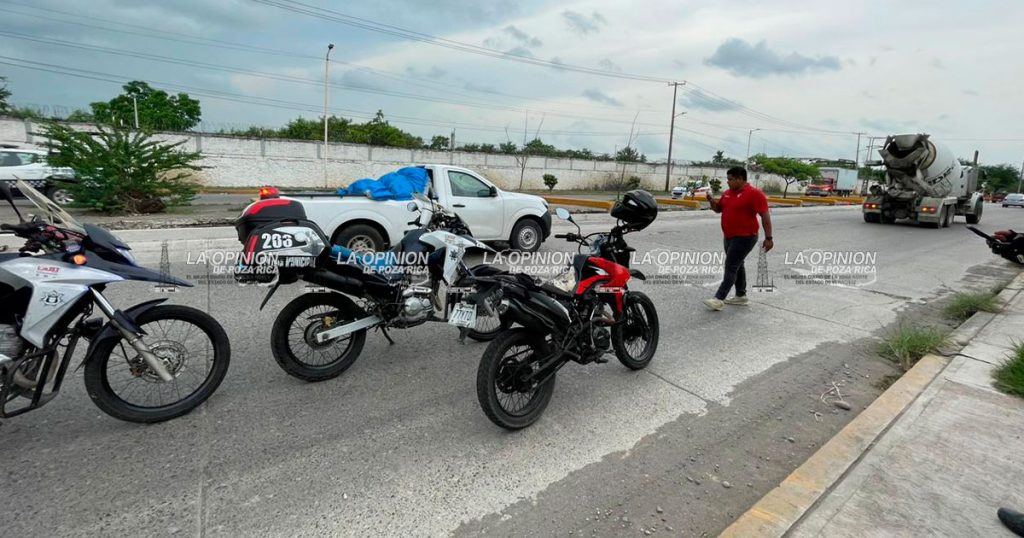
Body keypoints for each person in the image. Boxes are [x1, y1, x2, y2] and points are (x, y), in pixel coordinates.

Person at [703, 167, 773, 311]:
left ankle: (718, 299)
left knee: (731, 266)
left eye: (730, 179)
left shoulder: (754, 194)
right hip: (729, 236)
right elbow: (718, 209)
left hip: (746, 237)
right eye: (727, 179)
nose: (728, 182)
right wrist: (711, 200)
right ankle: (741, 295)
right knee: (738, 264)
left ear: (740, 179)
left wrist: (769, 238)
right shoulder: (727, 193)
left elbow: (765, 216)